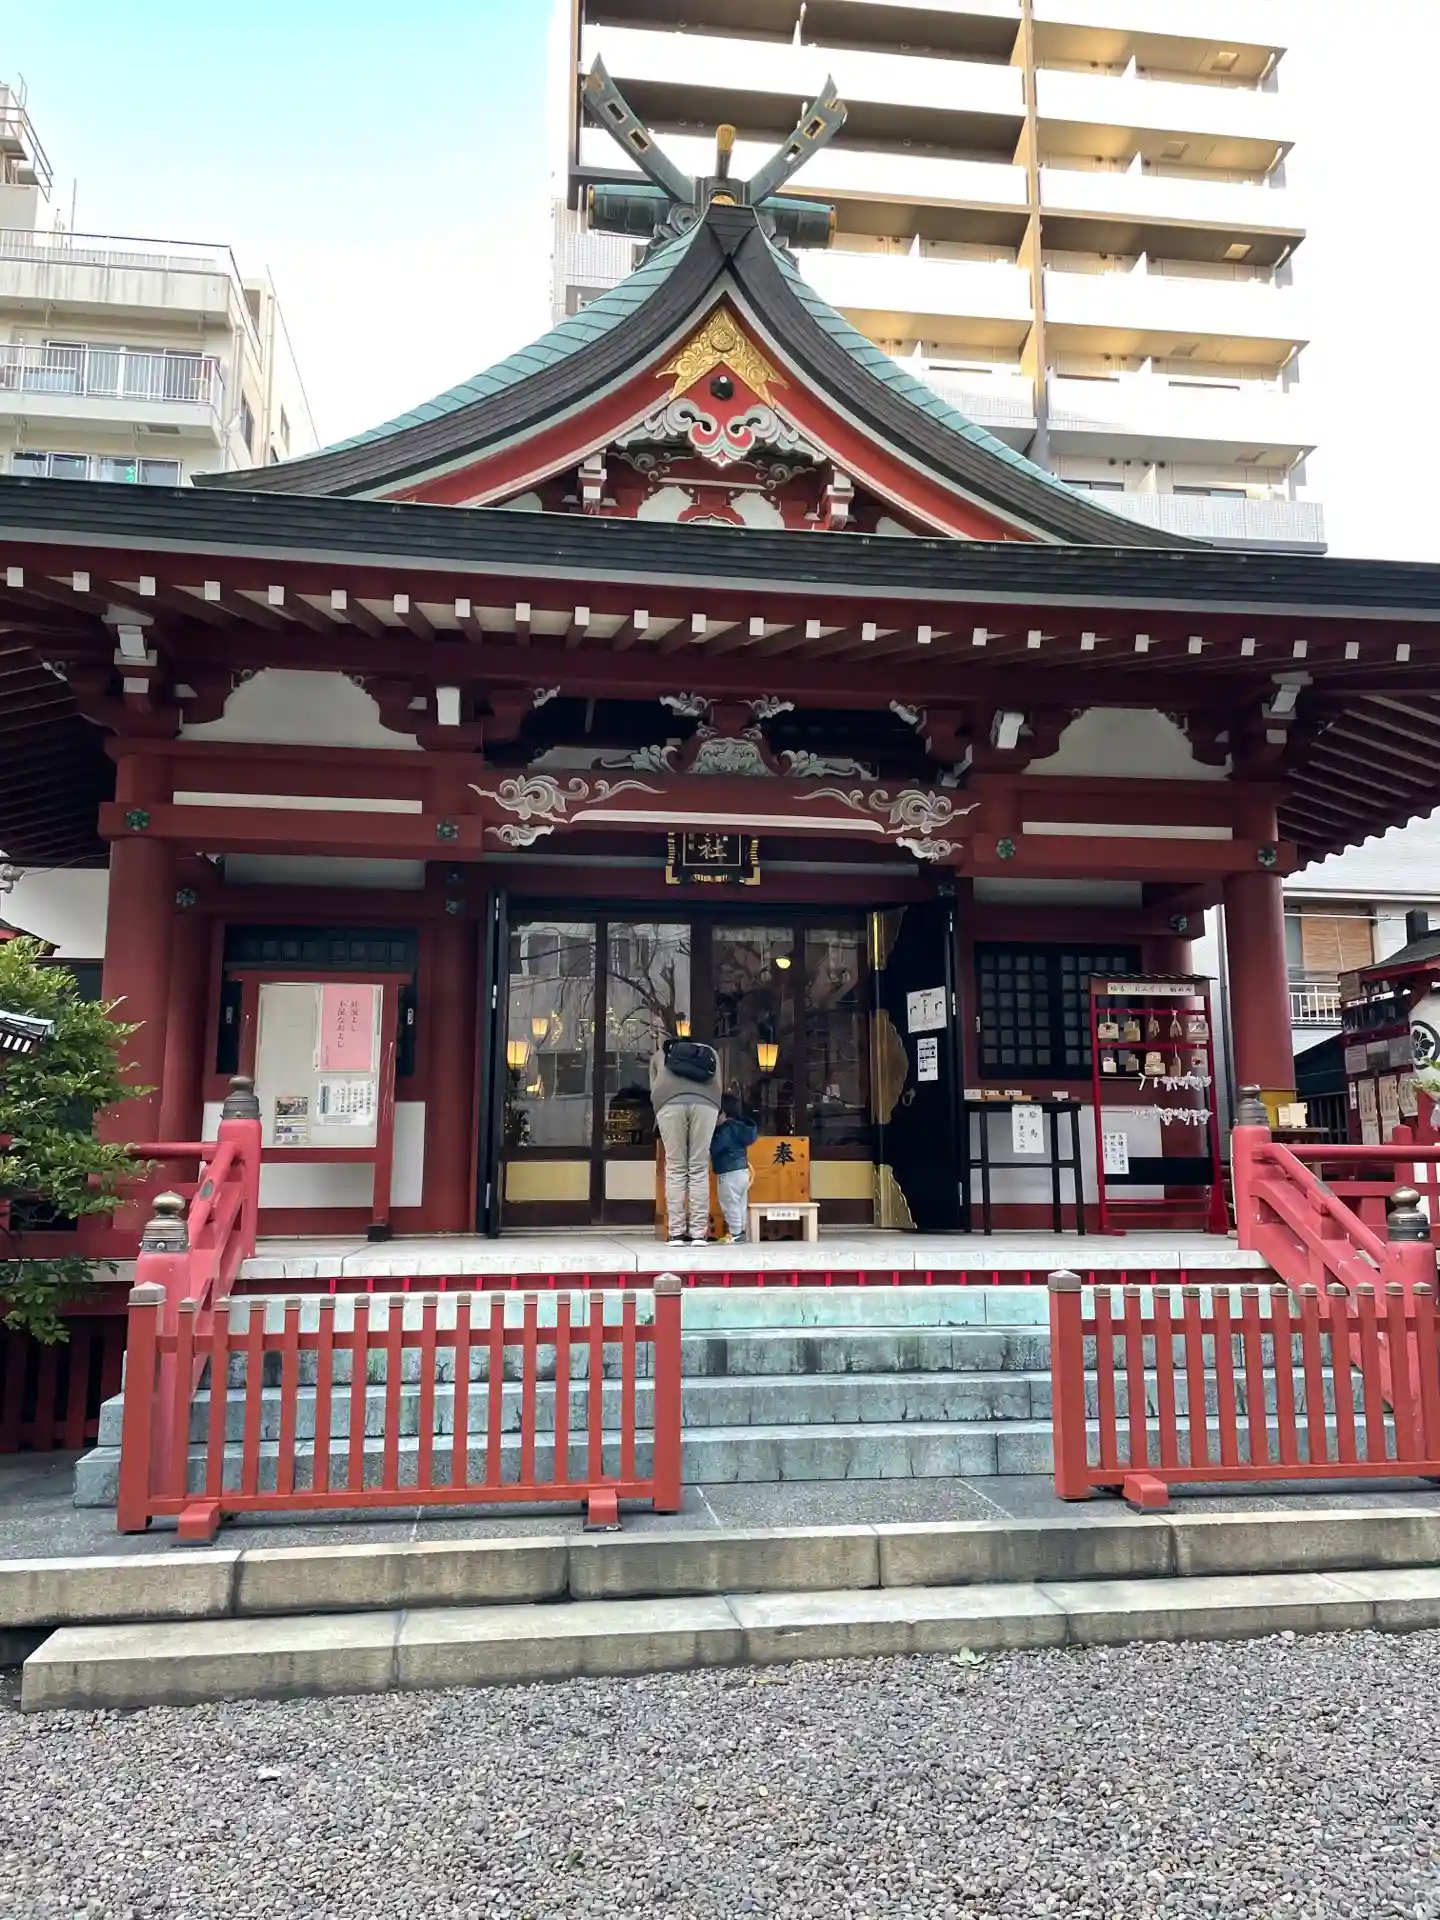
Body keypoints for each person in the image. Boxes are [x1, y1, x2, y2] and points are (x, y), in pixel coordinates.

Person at [649, 1033, 722, 1245]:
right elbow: (718, 1084)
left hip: (669, 1105)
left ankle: (676, 1233)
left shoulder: (660, 1055)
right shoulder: (711, 1053)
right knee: (698, 1167)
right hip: (706, 1104)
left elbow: (654, 1088)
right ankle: (699, 1234)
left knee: (675, 1167)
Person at [710, 1092, 758, 1243]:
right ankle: (741, 1231)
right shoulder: (739, 1128)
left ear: (723, 1113)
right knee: (740, 1202)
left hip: (728, 1171)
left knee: (729, 1202)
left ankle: (735, 1232)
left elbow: (715, 1148)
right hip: (742, 1170)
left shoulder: (725, 1130)